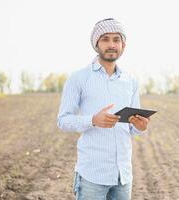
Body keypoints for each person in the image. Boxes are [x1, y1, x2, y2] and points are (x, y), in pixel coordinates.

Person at [57, 18, 150, 200]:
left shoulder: (130, 81)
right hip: (92, 176)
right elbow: (62, 121)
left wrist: (141, 126)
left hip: (123, 176)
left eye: (116, 40)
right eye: (105, 39)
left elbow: (132, 128)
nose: (111, 45)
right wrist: (92, 120)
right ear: (96, 44)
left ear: (123, 45)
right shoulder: (79, 78)